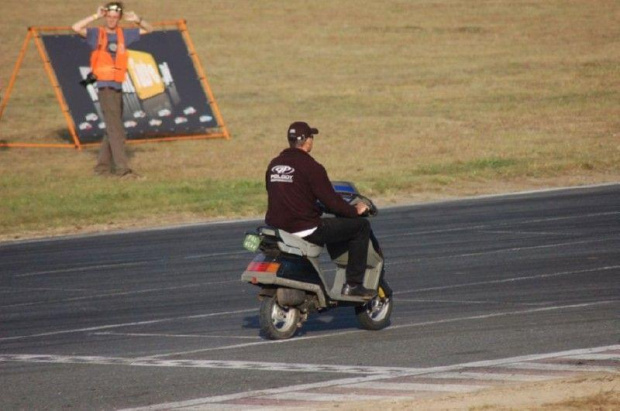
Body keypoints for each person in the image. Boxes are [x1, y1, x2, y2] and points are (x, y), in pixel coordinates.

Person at [265, 121, 376, 299]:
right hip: (306, 229)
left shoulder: (274, 164)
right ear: (306, 141)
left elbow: (280, 194)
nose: (312, 140)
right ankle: (353, 285)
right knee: (360, 227)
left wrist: (313, 206)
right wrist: (355, 211)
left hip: (278, 228)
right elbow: (332, 203)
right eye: (311, 137)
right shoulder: (312, 167)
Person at [72, 2, 153, 178]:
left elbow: (150, 29)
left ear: (119, 18)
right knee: (117, 129)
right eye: (108, 16)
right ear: (105, 16)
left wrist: (137, 19)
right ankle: (123, 170)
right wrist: (95, 16)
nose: (111, 20)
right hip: (105, 86)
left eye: (115, 17)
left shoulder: (124, 34)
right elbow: (75, 27)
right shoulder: (96, 34)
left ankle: (101, 169)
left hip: (117, 85)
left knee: (112, 128)